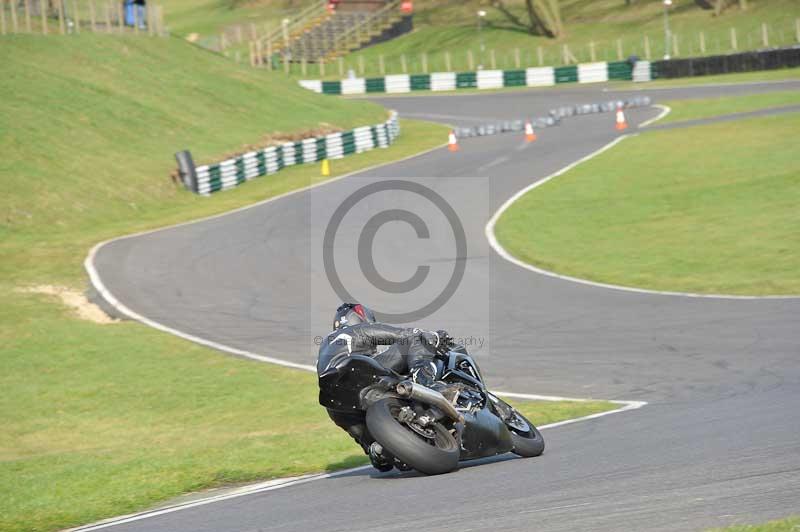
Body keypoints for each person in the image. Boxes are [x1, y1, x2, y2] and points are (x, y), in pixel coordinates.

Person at [317, 302, 446, 471]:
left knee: (378, 453)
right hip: (358, 371)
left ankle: (377, 449)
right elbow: (404, 335)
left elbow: (383, 469)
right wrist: (433, 337)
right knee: (413, 339)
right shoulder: (353, 332)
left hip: (334, 404)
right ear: (360, 319)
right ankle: (428, 384)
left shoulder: (325, 348)